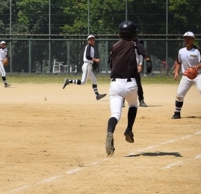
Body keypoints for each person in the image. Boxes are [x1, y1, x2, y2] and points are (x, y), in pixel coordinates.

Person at [105, 21, 148, 156]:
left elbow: (111, 64)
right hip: (130, 84)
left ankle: (110, 132)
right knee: (133, 105)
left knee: (115, 115)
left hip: (115, 84)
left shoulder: (113, 46)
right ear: (133, 33)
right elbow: (144, 53)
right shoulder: (135, 44)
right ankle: (129, 129)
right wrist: (148, 61)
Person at [172, 31, 201, 119]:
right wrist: (176, 72)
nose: (187, 40)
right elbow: (178, 62)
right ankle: (177, 113)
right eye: (186, 38)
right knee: (179, 94)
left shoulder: (197, 51)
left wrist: (195, 67)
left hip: (198, 75)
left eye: (189, 38)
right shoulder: (181, 51)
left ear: (193, 40)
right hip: (186, 75)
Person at [62, 35, 106, 100]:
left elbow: (89, 57)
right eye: (90, 40)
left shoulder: (91, 47)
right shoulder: (89, 47)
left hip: (89, 65)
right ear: (88, 41)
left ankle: (97, 95)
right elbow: (87, 56)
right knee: (83, 82)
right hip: (87, 65)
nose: (92, 41)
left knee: (94, 80)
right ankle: (68, 81)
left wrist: (93, 63)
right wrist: (95, 60)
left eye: (93, 39)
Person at [133, 38, 152, 107]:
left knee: (138, 84)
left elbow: (141, 54)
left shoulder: (137, 43)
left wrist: (140, 64)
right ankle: (122, 100)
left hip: (135, 67)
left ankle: (141, 100)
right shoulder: (125, 43)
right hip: (126, 67)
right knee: (124, 84)